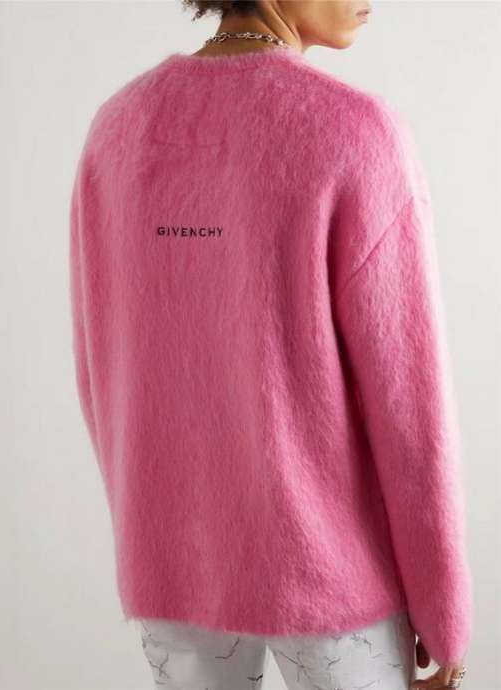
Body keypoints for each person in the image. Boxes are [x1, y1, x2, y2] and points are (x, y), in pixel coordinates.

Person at [68, 1, 473, 689]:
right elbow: (411, 408)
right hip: (329, 577)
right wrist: (444, 615)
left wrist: (148, 529)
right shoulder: (355, 132)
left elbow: (97, 365)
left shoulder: (118, 127)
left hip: (171, 566)